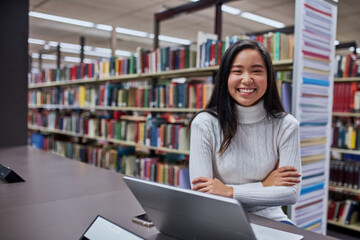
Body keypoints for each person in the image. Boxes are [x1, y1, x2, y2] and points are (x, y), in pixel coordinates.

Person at [189, 39, 301, 225]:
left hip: (270, 219)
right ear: (225, 77)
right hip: (219, 218)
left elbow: (290, 193)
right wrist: (264, 186)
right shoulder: (205, 123)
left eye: (256, 71)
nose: (247, 79)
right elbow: (204, 194)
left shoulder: (286, 125)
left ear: (268, 77)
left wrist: (229, 192)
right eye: (237, 71)